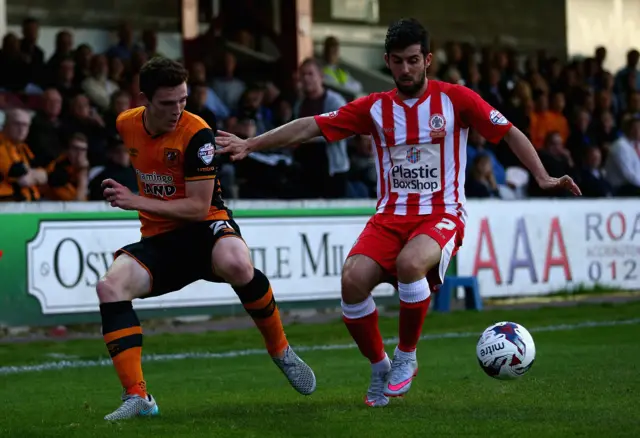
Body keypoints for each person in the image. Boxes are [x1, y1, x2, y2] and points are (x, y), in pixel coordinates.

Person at [215, 18, 581, 408]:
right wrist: (250, 144)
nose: (406, 70)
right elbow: (311, 127)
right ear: (387, 62)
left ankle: (407, 356)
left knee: (411, 264)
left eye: (413, 61)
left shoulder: (456, 99)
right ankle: (380, 367)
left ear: (428, 60)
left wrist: (541, 176)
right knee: (352, 281)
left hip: (441, 213)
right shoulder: (374, 108)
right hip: (389, 216)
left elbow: (507, 131)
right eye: (398, 62)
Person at [98, 57, 316, 421]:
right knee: (109, 287)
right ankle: (138, 396)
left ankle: (281, 350)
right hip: (160, 237)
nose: (178, 110)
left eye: (183, 100)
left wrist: (134, 200)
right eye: (168, 103)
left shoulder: (197, 133)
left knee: (236, 262)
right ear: (144, 100)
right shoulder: (125, 124)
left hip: (207, 227)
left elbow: (199, 209)